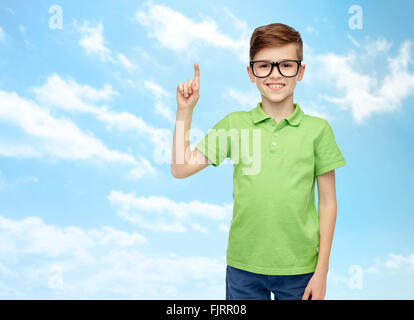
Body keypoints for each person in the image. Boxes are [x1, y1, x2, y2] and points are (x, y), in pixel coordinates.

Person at [171, 22, 346, 300]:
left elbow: (328, 203)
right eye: (264, 65)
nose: (275, 74)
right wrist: (184, 112)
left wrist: (322, 271)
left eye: (286, 65)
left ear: (301, 71)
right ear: (251, 72)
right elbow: (180, 168)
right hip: (243, 268)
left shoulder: (318, 130)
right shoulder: (234, 125)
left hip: (301, 269)